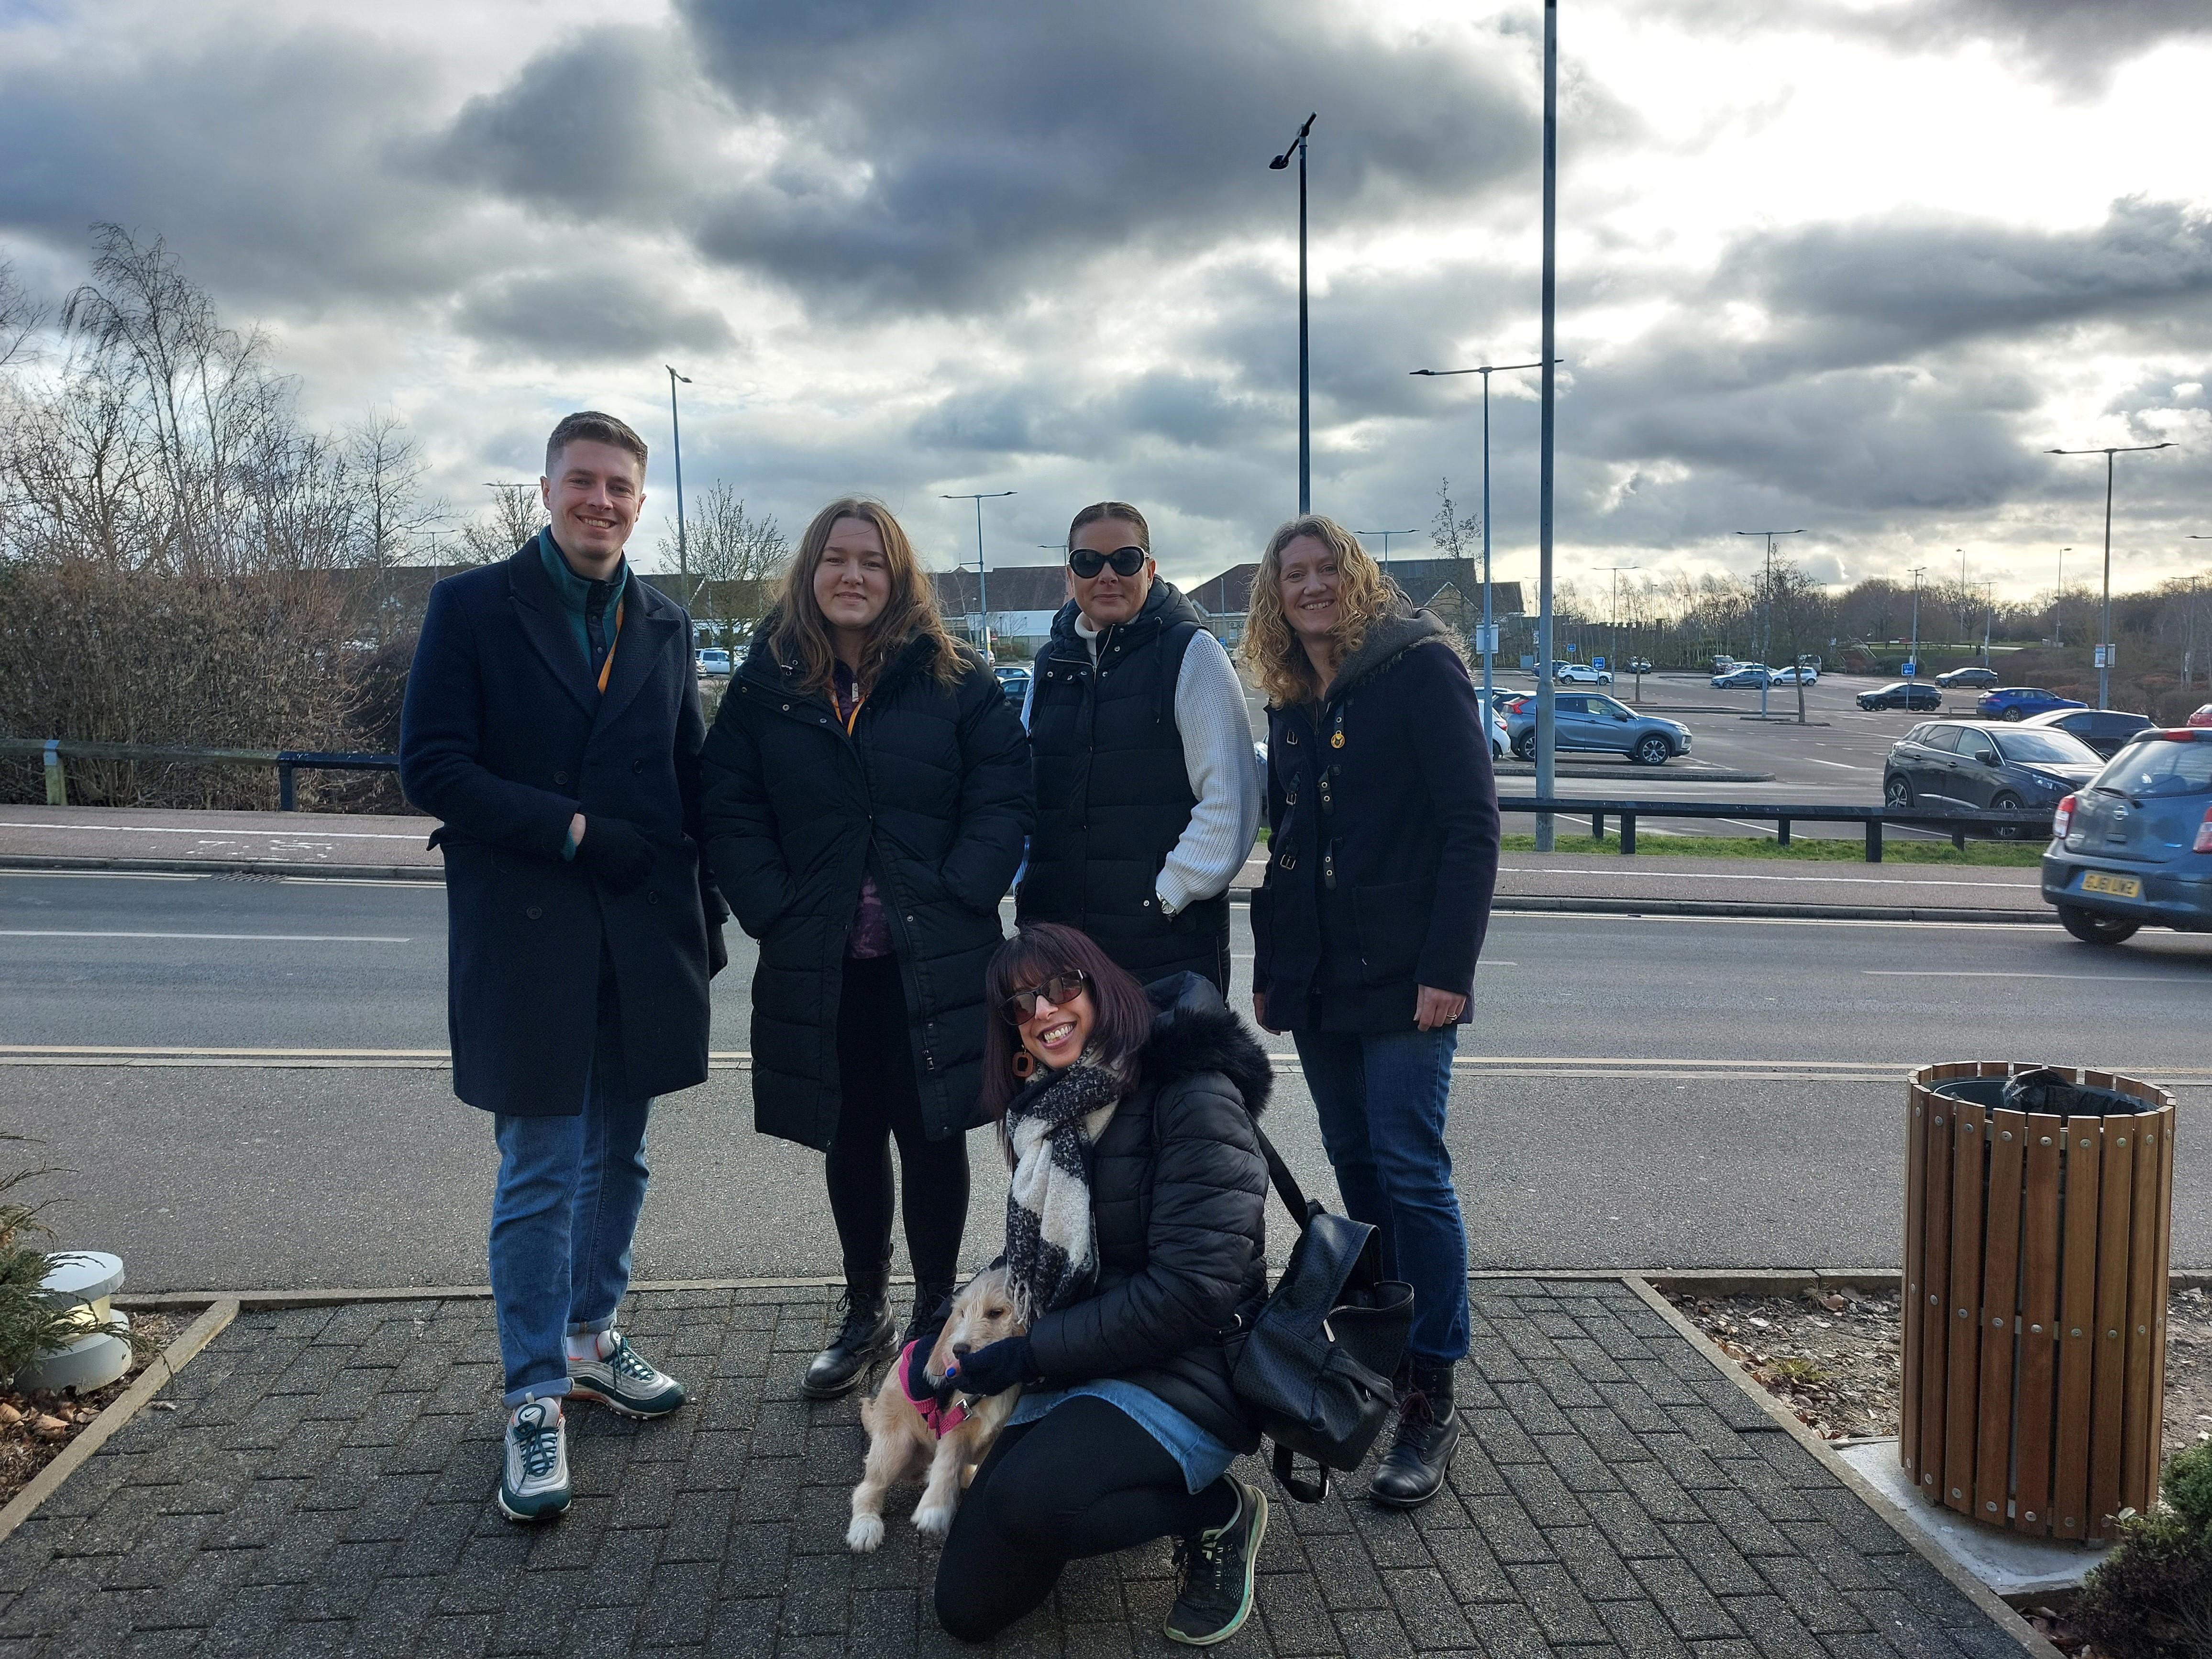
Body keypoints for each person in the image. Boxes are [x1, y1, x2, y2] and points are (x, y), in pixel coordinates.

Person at [399, 410, 726, 1523]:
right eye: (581, 482)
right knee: (541, 1167)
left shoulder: (667, 621)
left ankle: (592, 1337)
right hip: (531, 925)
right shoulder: (472, 607)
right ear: (545, 490)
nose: (601, 501)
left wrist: (708, 910)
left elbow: (689, 778)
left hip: (642, 932)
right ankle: (532, 1395)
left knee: (622, 1155)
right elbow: (433, 765)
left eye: (620, 487)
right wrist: (574, 829)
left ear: (640, 502)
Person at [700, 498, 1031, 1399]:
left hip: (934, 955)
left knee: (931, 1135)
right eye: (836, 559)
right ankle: (862, 1308)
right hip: (823, 959)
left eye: (872, 561)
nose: (853, 575)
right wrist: (772, 904)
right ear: (810, 572)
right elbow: (726, 804)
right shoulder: (767, 683)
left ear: (898, 576)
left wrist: (964, 886)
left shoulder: (955, 677)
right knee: (848, 1135)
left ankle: (932, 1315)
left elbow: (1004, 790)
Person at [1242, 515, 1500, 1509]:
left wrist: (1448, 967)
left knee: (1409, 1165)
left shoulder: (1418, 669)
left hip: (1405, 977)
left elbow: (1470, 828)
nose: (1308, 587)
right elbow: (1291, 843)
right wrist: (1273, 966)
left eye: (1322, 571)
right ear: (1274, 596)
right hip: (1318, 981)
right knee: (1354, 1171)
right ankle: (1383, 1356)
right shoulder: (1291, 699)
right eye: (1290, 576)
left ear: (1353, 580)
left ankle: (1431, 1384)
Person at [925, 924, 1274, 1648]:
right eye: (1021, 1004)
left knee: (1029, 1502)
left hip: (1191, 1370)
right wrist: (952, 1327)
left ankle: (1214, 1512)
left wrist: (1030, 1356)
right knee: (965, 1610)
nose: (1045, 1011)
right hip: (1083, 1362)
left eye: (1062, 987)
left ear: (1102, 985)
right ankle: (1080, 1485)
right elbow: (1040, 1254)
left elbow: (1194, 1292)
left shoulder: (1192, 1092)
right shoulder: (1046, 1109)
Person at [1018, 502, 1261, 993]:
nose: (1106, 575)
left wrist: (1165, 897)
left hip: (1163, 945)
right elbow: (1024, 794)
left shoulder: (1192, 654)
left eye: (1124, 560)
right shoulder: (1048, 665)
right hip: (1058, 946)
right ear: (1070, 576)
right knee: (1069, 1073)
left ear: (1149, 570)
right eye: (1088, 562)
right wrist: (1030, 890)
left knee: (1167, 1071)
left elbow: (1231, 802)